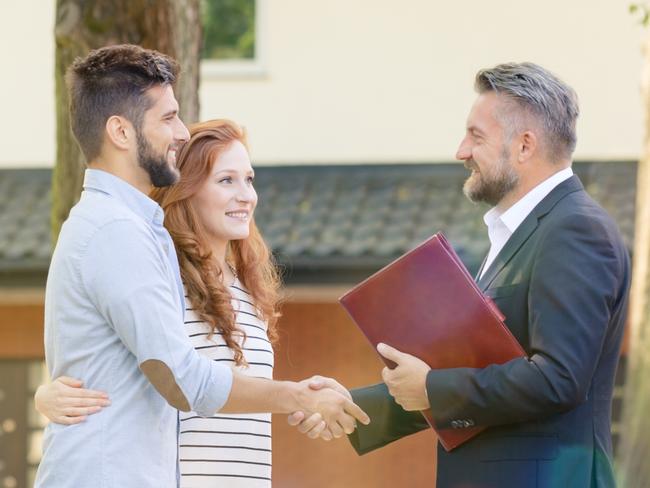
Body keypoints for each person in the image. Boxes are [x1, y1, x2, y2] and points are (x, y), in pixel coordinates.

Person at [35, 44, 368, 488]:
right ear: (120, 131)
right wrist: (296, 396)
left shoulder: (131, 231)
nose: (179, 133)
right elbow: (181, 377)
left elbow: (111, 363)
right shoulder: (117, 233)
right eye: (168, 117)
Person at [291, 62, 631, 487]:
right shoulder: (524, 234)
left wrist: (432, 387)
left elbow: (558, 379)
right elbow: (478, 372)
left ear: (525, 146)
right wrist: (351, 407)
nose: (461, 151)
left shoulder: (574, 229)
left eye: (476, 136)